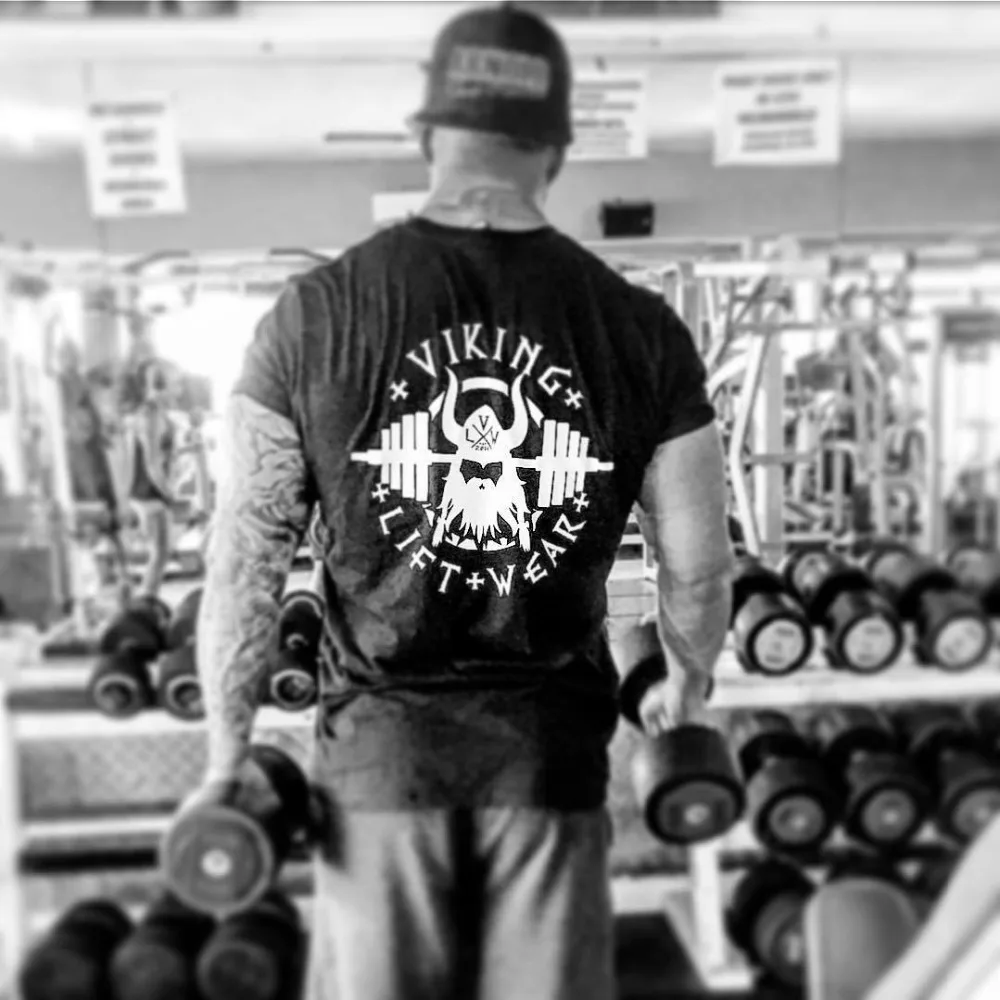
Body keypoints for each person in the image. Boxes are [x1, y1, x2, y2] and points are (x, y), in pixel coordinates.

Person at [193, 5, 733, 999]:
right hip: (547, 774)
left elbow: (244, 565)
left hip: (378, 774)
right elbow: (698, 571)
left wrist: (227, 760)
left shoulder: (310, 318)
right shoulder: (642, 330)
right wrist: (687, 689)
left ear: (425, 135)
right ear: (557, 150)